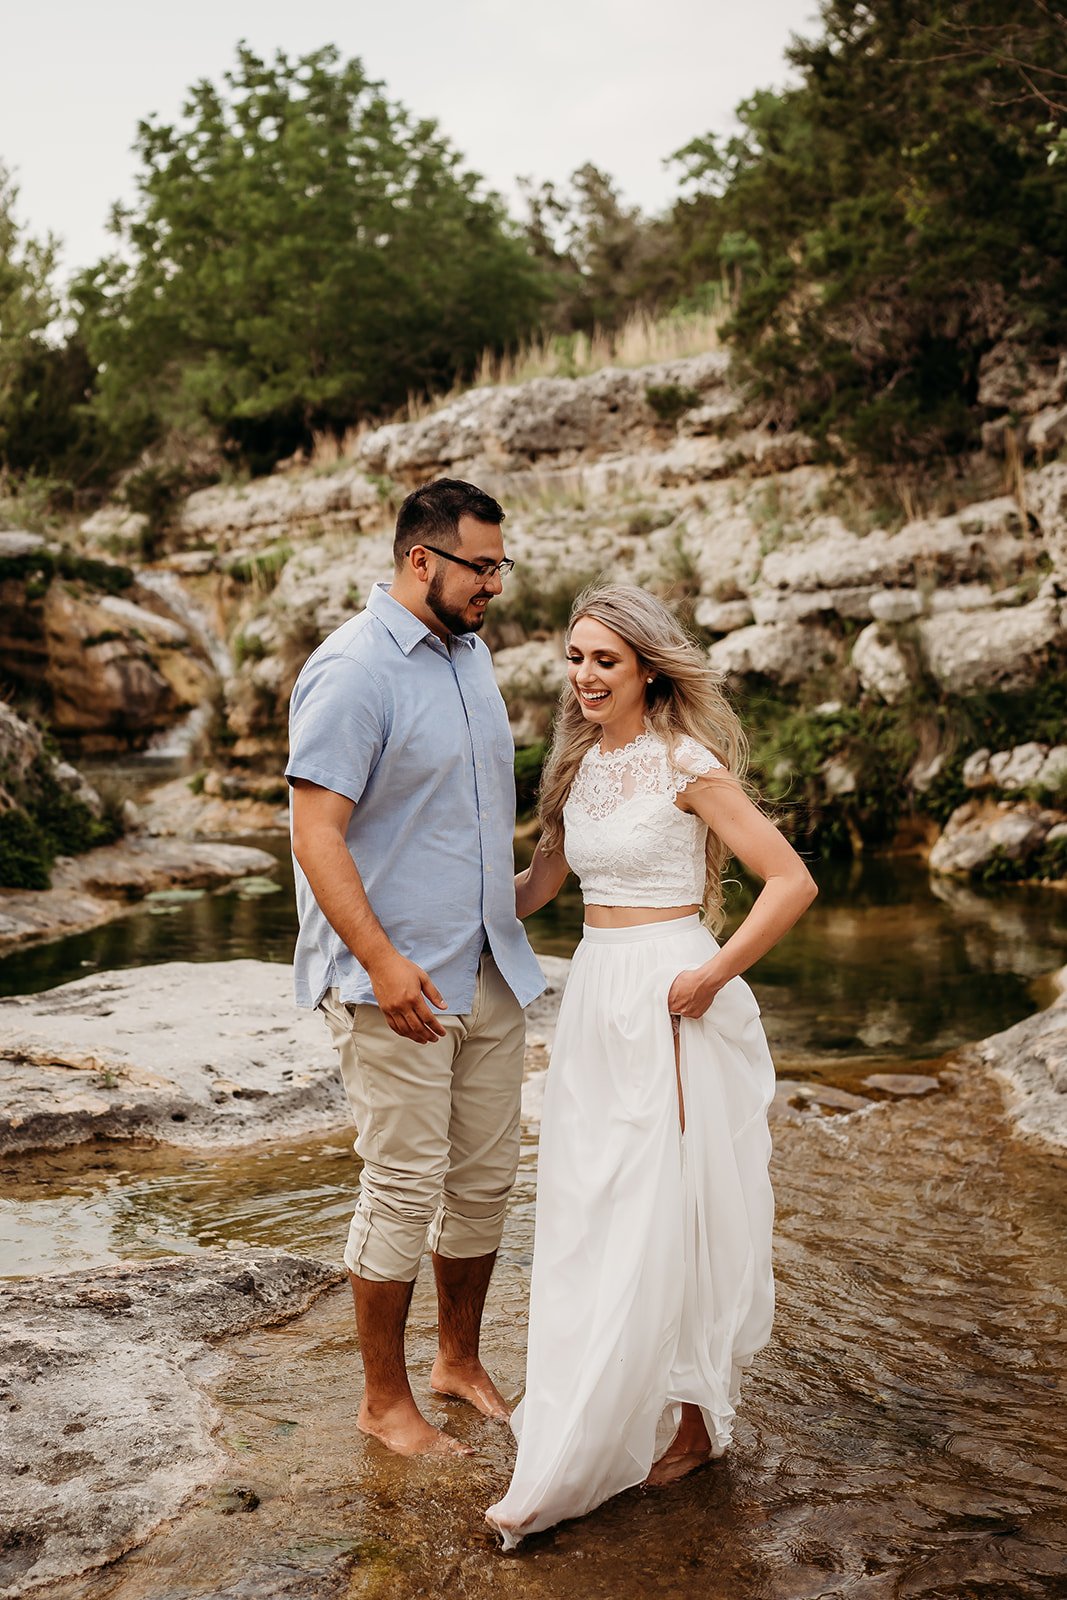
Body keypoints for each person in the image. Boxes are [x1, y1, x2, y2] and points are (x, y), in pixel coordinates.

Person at [485, 583, 817, 1545]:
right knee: (589, 1205)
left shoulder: (687, 762)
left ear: (646, 670)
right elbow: (537, 888)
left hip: (674, 995)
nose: (585, 678)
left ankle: (686, 1420)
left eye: (604, 661)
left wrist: (711, 973)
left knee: (661, 1207)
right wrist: (418, 899)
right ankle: (591, 1414)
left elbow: (789, 880)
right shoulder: (577, 765)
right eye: (575, 660)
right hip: (596, 999)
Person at [286, 477, 544, 1458]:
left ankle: (458, 1362)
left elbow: (465, 825)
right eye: (479, 565)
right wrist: (384, 964)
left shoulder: (470, 657)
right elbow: (316, 836)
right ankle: (382, 1399)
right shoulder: (352, 671)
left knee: (483, 1181)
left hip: (486, 968)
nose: (493, 585)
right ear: (419, 560)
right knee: (399, 1185)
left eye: (499, 565)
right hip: (389, 985)